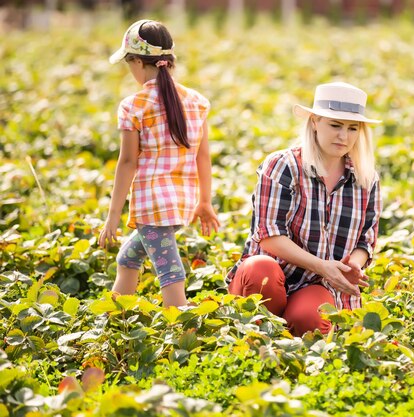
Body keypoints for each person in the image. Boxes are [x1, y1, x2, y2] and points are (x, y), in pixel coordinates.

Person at [227, 82, 382, 336]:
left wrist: (351, 266)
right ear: (314, 122)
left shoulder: (366, 178)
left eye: (352, 128)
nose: (343, 136)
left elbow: (366, 238)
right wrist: (324, 265)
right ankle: (254, 336)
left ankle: (288, 333)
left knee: (310, 322)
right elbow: (269, 236)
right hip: (272, 271)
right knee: (259, 271)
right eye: (335, 125)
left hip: (315, 283)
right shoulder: (283, 165)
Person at [98, 19, 219, 307]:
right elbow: (202, 154)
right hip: (181, 202)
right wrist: (205, 200)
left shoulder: (134, 106)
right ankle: (117, 315)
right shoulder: (196, 101)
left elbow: (127, 163)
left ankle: (181, 321)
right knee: (128, 257)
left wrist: (113, 216)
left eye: (129, 64)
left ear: (138, 62)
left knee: (168, 267)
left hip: (152, 205)